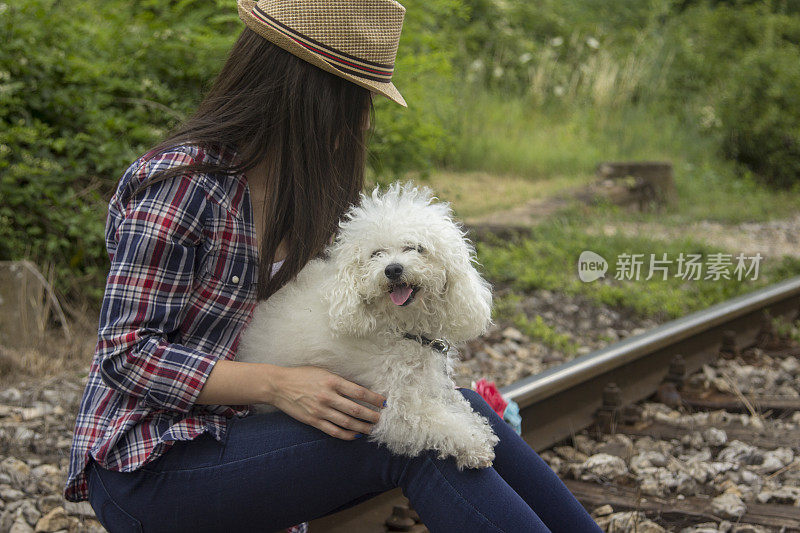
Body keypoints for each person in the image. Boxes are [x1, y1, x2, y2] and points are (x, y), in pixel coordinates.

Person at [65, 1, 604, 531]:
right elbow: (126, 354)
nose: (366, 119)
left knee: (458, 408)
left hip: (242, 433)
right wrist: (277, 385)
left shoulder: (305, 192)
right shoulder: (180, 188)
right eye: (358, 97)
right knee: (418, 442)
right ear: (309, 94)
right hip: (150, 462)